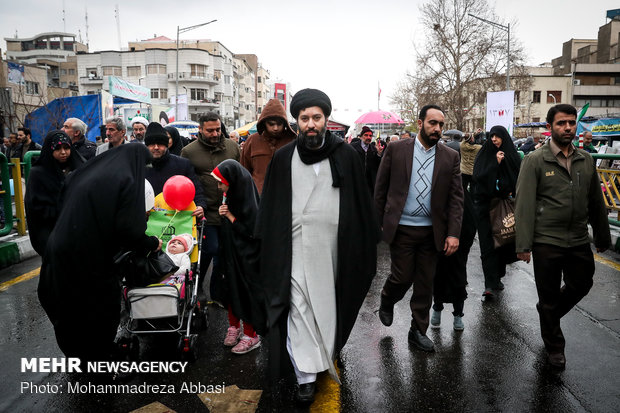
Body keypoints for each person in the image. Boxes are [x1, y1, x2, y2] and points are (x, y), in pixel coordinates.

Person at [255, 88, 379, 404]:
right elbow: (270, 207)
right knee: (298, 308)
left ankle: (324, 356)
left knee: (327, 307)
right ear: (296, 122)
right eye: (304, 118)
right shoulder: (283, 158)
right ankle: (305, 375)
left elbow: (360, 205)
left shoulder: (346, 155)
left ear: (326, 120)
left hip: (335, 251)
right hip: (294, 248)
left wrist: (365, 242)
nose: (310, 124)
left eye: (316, 117)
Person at [38, 144, 161, 362]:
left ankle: (78, 356)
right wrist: (151, 243)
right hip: (89, 257)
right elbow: (129, 229)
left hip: (59, 248)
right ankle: (99, 360)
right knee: (98, 306)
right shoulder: (125, 179)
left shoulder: (87, 175)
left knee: (70, 306)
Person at [515, 104, 610, 369]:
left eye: (571, 122)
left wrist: (602, 237)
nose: (568, 127)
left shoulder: (586, 160)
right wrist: (523, 245)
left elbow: (596, 202)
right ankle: (555, 348)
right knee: (547, 294)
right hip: (547, 241)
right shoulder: (535, 160)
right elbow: (523, 204)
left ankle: (549, 312)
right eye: (561, 123)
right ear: (550, 127)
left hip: (578, 239)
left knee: (582, 283)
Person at [375, 104, 463, 352]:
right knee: (402, 277)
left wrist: (453, 233)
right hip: (402, 228)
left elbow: (456, 198)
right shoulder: (396, 150)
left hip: (431, 232)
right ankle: (387, 297)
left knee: (425, 283)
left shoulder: (450, 156)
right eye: (432, 123)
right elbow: (380, 189)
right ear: (420, 122)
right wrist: (378, 221)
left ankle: (417, 331)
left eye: (441, 125)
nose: (437, 128)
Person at [181, 112, 240, 302]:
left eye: (218, 129)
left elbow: (241, 174)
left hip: (228, 210)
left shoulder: (232, 147)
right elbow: (185, 181)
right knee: (209, 249)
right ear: (200, 129)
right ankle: (197, 287)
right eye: (210, 130)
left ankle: (217, 294)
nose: (215, 134)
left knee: (224, 253)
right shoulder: (189, 151)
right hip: (205, 211)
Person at [211, 160, 263, 355]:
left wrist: (231, 217)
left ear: (232, 181)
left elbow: (253, 232)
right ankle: (234, 326)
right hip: (231, 254)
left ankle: (251, 334)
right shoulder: (229, 195)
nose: (219, 187)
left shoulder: (247, 200)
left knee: (245, 293)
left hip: (246, 257)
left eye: (221, 182)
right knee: (231, 289)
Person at [472, 125, 521, 298]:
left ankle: (498, 277)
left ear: (504, 137)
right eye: (491, 136)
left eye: (497, 136)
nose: (494, 139)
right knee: (487, 246)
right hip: (485, 206)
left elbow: (518, 179)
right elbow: (478, 177)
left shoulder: (512, 155)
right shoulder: (485, 154)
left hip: (504, 207)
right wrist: (495, 163)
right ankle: (489, 285)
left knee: (503, 242)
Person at [25, 130, 84, 256]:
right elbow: (36, 209)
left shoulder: (80, 167)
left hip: (80, 233)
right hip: (53, 234)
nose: (63, 152)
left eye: (66, 148)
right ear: (49, 150)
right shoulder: (39, 173)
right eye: (57, 148)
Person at [144, 122, 206, 219]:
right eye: (152, 144)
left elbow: (196, 190)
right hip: (148, 221)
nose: (156, 147)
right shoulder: (139, 167)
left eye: (160, 144)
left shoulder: (182, 164)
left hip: (178, 219)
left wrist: (200, 206)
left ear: (166, 145)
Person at [241, 98, 296, 194]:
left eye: (279, 124)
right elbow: (244, 172)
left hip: (286, 197)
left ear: (285, 123)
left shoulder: (292, 141)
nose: (275, 128)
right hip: (258, 198)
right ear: (264, 123)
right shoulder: (252, 141)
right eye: (271, 124)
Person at [350, 126, 384, 196]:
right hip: (356, 180)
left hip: (369, 183)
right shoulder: (353, 147)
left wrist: (379, 153)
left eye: (370, 136)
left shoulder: (373, 149)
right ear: (361, 136)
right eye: (366, 135)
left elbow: (377, 165)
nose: (368, 137)